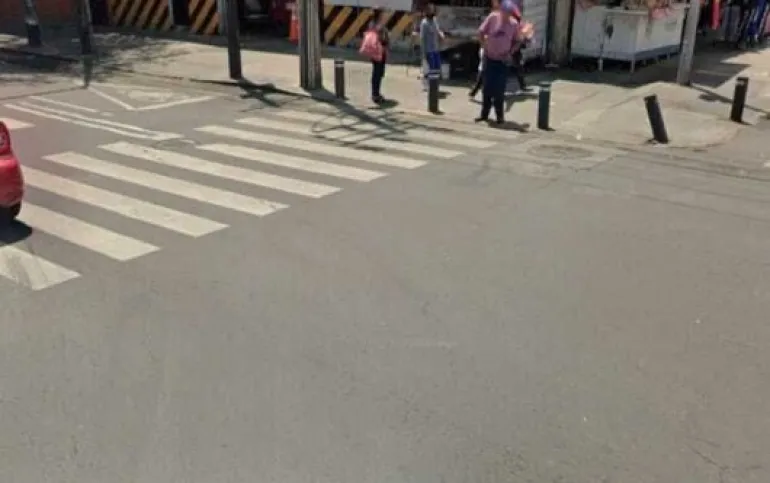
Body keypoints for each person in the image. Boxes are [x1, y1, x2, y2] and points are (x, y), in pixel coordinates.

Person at [475, 0, 521, 124]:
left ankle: (499, 116)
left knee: (499, 90)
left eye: (508, 13)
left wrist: (511, 52)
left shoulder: (513, 24)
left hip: (502, 60)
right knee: (487, 88)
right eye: (504, 12)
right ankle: (484, 115)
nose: (506, 15)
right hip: (489, 58)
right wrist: (483, 45)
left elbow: (518, 41)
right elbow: (480, 32)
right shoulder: (492, 18)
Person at [469, 0, 500, 98]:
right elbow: (483, 34)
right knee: (485, 69)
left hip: (488, 47)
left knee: (485, 69)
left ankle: (477, 90)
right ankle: (478, 90)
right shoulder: (491, 21)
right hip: (487, 48)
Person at [419, 3, 444, 91]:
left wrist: (441, 34)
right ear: (427, 11)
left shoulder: (435, 20)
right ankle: (428, 86)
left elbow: (438, 30)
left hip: (436, 49)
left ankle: (434, 86)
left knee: (437, 68)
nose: (432, 11)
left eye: (433, 10)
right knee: (431, 69)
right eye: (430, 10)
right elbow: (422, 39)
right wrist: (423, 53)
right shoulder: (424, 23)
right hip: (429, 50)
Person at [368, 9, 390, 104]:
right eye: (382, 14)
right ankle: (375, 94)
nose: (384, 16)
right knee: (377, 73)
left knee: (379, 73)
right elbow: (378, 38)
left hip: (381, 51)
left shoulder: (378, 24)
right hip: (377, 51)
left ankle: (376, 93)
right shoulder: (375, 24)